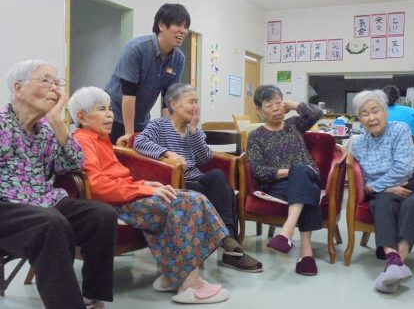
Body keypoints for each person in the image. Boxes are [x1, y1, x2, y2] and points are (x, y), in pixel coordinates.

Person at [69, 86, 229, 304]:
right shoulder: (83, 140)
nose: (109, 114)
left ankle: (174, 275)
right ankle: (188, 283)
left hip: (127, 195)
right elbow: (98, 186)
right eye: (101, 109)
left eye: (109, 109)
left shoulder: (100, 138)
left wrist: (144, 183)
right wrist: (146, 190)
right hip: (113, 203)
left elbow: (117, 178)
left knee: (196, 198)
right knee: (183, 204)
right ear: (81, 117)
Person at [0, 60, 117, 309]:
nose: (55, 89)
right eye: (46, 81)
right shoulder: (2, 124)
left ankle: (92, 296)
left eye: (57, 83)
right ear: (18, 88)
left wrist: (58, 123)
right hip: (7, 207)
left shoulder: (45, 129)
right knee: (51, 223)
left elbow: (72, 165)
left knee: (102, 215)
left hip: (45, 200)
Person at [133, 83, 263, 273]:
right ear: (174, 104)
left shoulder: (193, 129)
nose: (195, 106)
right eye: (191, 101)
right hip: (174, 181)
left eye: (197, 101)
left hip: (196, 176)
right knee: (213, 191)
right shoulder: (159, 125)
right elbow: (139, 142)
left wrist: (194, 132)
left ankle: (228, 242)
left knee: (218, 177)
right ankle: (230, 248)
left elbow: (205, 159)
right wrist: (168, 153)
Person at [351, 90, 414, 293]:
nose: (371, 117)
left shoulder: (400, 129)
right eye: (365, 113)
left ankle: (396, 264)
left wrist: (375, 185)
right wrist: (375, 187)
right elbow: (365, 180)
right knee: (381, 203)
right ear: (359, 118)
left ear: (385, 112)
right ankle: (393, 261)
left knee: (412, 203)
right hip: (385, 190)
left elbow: (404, 168)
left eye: (375, 110)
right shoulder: (358, 143)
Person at [246, 85, 323, 276]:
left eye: (278, 103)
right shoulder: (255, 136)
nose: (275, 108)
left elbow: (317, 113)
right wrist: (289, 172)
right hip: (279, 185)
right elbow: (258, 170)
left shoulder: (294, 124)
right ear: (258, 110)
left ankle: (286, 231)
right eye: (269, 105)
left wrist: (293, 105)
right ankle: (306, 252)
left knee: (302, 172)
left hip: (308, 174)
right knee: (308, 189)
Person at [105, 3, 190, 145]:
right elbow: (129, 94)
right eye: (178, 25)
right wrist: (129, 134)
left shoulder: (179, 59)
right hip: (114, 116)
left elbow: (168, 99)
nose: (183, 31)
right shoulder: (136, 49)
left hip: (142, 120)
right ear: (161, 25)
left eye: (186, 26)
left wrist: (166, 132)